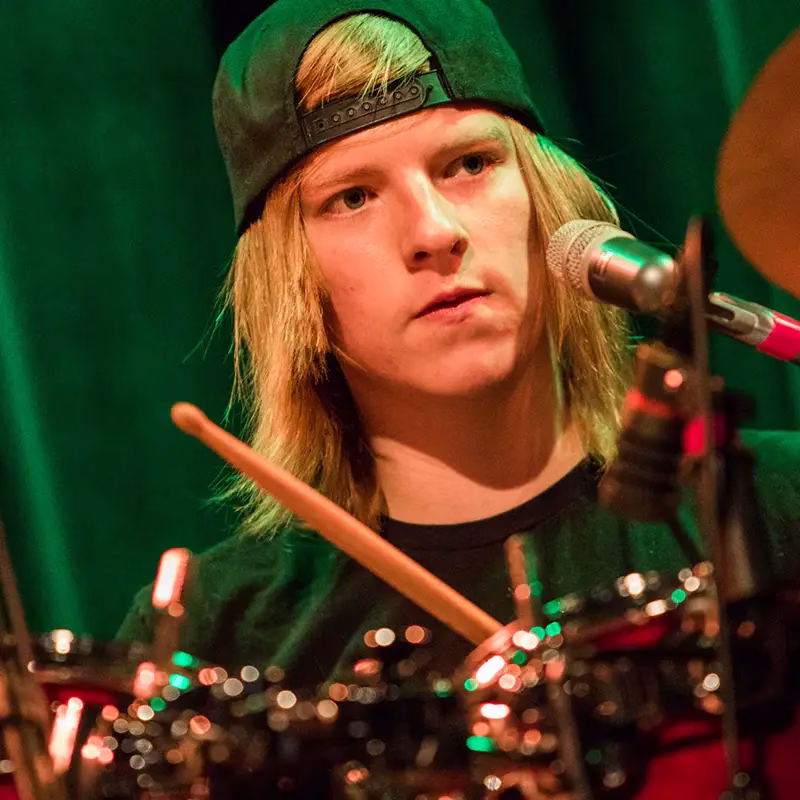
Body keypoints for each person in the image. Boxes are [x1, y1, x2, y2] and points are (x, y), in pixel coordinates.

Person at [118, 0, 800, 692]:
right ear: (290, 280)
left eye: (469, 163)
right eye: (353, 197)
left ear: (547, 199)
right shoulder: (211, 644)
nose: (434, 231)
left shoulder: (778, 505)